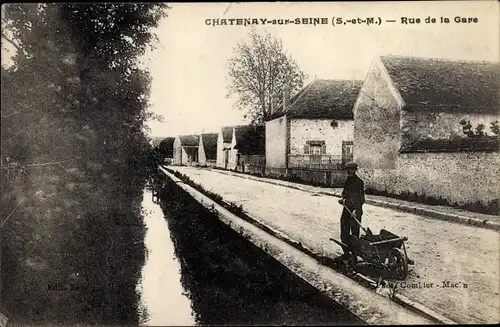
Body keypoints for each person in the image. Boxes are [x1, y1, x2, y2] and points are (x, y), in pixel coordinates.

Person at [338, 161, 365, 261]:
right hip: (346, 210)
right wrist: (343, 199)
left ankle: (354, 256)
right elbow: (345, 193)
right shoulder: (347, 181)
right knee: (344, 232)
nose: (348, 172)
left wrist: (355, 210)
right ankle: (346, 254)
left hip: (355, 212)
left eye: (351, 170)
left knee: (354, 235)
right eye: (347, 170)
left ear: (355, 170)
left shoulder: (359, 182)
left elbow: (361, 199)